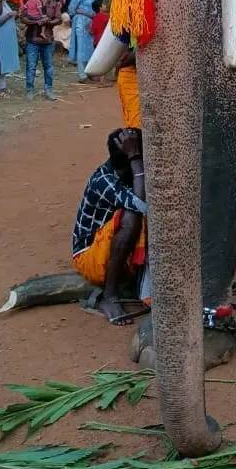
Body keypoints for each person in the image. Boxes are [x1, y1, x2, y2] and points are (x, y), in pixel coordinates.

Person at [72, 128, 147, 325]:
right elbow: (140, 204)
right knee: (131, 216)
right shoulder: (103, 181)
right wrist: (136, 157)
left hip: (109, 252)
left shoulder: (129, 174)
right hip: (89, 258)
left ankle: (135, 283)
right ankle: (109, 295)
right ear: (130, 158)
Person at [22, 0, 59, 101]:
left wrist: (48, 21)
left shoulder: (53, 2)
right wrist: (36, 22)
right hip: (32, 39)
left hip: (47, 39)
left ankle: (49, 89)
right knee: (31, 66)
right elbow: (23, 18)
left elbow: (58, 18)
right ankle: (29, 90)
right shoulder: (30, 1)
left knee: (48, 66)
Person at [68, 0, 96, 83]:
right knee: (81, 48)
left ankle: (88, 72)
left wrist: (91, 14)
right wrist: (84, 13)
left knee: (89, 47)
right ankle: (82, 75)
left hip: (89, 23)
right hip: (80, 22)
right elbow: (72, 8)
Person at [0, 0, 20, 95]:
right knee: (0, 62)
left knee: (6, 62)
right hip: (1, 36)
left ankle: (3, 87)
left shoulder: (5, 4)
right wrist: (9, 15)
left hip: (8, 37)